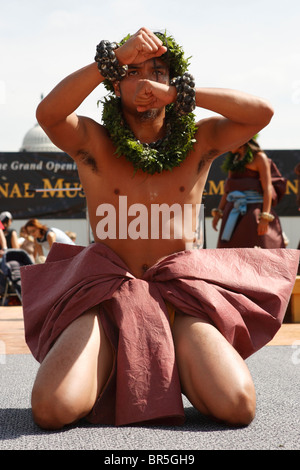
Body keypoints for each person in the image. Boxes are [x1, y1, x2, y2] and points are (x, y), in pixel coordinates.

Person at [20, 27, 299, 431]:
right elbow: (48, 115)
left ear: (173, 81)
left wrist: (185, 94)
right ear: (116, 83)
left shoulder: (201, 141)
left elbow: (262, 113)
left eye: (159, 72)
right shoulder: (94, 142)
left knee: (237, 405)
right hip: (106, 300)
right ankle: (114, 359)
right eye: (133, 71)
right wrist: (115, 57)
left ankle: (176, 361)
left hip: (180, 301)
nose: (147, 81)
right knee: (53, 409)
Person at [211, 138, 286, 248]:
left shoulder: (260, 157)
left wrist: (265, 218)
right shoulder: (234, 160)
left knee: (257, 250)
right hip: (232, 213)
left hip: (254, 212)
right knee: (230, 253)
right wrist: (219, 212)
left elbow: (267, 188)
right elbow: (228, 190)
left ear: (241, 141)